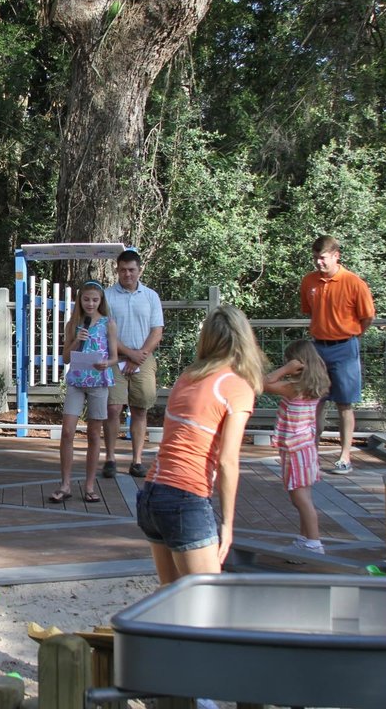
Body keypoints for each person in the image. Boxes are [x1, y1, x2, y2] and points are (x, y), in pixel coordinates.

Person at [135, 305, 265, 583]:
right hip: (185, 499)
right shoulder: (236, 386)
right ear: (244, 339)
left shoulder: (188, 377)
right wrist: (228, 525)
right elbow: (228, 461)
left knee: (171, 597)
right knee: (207, 603)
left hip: (152, 495)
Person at [298, 235, 375, 475]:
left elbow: (367, 316)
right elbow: (308, 310)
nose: (318, 263)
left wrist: (353, 337)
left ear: (335, 256)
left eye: (322, 258)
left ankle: (344, 457)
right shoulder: (309, 281)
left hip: (345, 348)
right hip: (317, 348)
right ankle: (312, 453)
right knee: (315, 401)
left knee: (344, 403)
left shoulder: (354, 282)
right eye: (315, 258)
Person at [51, 281, 118, 503]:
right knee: (68, 431)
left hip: (98, 381)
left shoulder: (108, 323)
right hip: (77, 381)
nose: (90, 303)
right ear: (80, 300)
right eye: (86, 299)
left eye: (95, 300)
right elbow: (66, 357)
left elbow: (115, 356)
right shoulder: (74, 324)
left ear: (101, 301)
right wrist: (76, 342)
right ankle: (65, 484)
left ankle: (89, 486)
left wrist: (106, 363)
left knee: (93, 433)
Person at [263, 340, 331, 555]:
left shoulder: (293, 388)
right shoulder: (318, 385)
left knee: (300, 499)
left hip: (295, 448)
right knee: (304, 497)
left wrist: (285, 370)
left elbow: (262, 383)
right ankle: (305, 538)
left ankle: (314, 542)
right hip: (305, 446)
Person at [103, 249, 164, 479]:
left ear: (139, 270)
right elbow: (105, 331)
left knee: (140, 408)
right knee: (113, 408)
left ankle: (137, 460)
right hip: (114, 358)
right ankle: (110, 458)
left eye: (131, 270)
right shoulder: (107, 296)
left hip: (144, 359)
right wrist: (128, 354)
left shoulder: (150, 296)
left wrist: (140, 354)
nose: (127, 274)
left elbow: (157, 331)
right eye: (123, 270)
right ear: (117, 270)